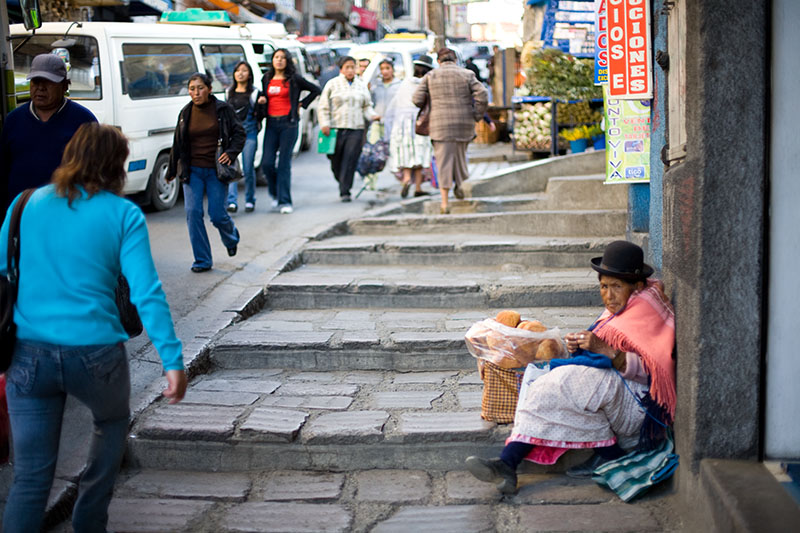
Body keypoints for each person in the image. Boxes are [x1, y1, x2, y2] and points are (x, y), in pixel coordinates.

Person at [0, 123, 187, 532]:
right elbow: (147, 294)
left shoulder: (22, 205)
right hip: (96, 355)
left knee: (30, 479)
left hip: (28, 355)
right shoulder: (123, 215)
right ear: (116, 166)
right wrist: (172, 362)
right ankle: (88, 517)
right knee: (112, 422)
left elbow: (3, 274)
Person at [465, 241, 676, 494]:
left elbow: (657, 373)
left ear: (638, 285)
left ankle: (611, 454)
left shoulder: (644, 311)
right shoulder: (626, 306)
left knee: (571, 383)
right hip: (618, 399)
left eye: (616, 287)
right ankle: (508, 463)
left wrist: (606, 351)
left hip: (644, 411)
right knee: (545, 381)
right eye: (603, 286)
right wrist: (582, 347)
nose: (608, 295)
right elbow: (602, 344)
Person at [0, 53, 97, 218]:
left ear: (65, 86)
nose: (40, 88)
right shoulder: (13, 121)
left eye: (48, 82)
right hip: (21, 215)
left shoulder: (84, 121)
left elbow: (96, 173)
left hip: (67, 215)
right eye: (35, 82)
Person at [167, 72, 244, 273]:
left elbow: (239, 133)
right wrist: (172, 168)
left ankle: (231, 237)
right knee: (193, 212)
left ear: (209, 89)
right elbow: (177, 141)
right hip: (192, 171)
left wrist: (231, 152)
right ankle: (202, 260)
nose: (196, 92)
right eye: (192, 89)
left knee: (217, 215)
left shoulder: (222, 110)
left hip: (215, 171)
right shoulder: (186, 113)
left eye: (200, 88)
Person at [413, 47, 487, 214]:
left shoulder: (430, 76)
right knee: (460, 157)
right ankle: (460, 185)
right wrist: (476, 115)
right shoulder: (467, 74)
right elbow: (482, 94)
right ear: (455, 60)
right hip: (464, 124)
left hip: (439, 125)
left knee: (443, 161)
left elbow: (416, 99)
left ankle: (445, 202)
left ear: (439, 61)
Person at [256, 48, 321, 214]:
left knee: (284, 164)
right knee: (267, 163)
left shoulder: (294, 79)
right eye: (276, 57)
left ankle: (285, 201)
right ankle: (276, 194)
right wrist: (262, 100)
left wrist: (302, 104)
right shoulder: (267, 78)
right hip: (271, 123)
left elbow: (315, 90)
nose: (279, 61)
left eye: (283, 58)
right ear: (272, 60)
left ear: (287, 61)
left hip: (289, 124)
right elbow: (264, 96)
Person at [318, 56, 380, 202]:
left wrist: (373, 116)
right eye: (347, 67)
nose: (351, 70)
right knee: (336, 161)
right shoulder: (332, 84)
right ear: (341, 69)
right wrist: (324, 124)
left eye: (353, 67)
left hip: (356, 128)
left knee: (350, 159)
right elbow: (323, 106)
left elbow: (366, 106)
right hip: (336, 128)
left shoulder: (361, 85)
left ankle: (345, 191)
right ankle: (342, 181)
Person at [384, 55, 434, 198]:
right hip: (420, 123)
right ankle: (418, 187)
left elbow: (393, 106)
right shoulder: (425, 84)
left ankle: (406, 179)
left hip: (401, 123)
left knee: (406, 154)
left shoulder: (404, 83)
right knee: (419, 154)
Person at [225, 61, 260, 214]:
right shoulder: (228, 92)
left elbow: (261, 115)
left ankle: (250, 200)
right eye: (238, 70)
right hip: (232, 136)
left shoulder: (255, 93)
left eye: (244, 70)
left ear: (249, 74)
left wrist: (261, 104)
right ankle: (231, 201)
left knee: (248, 167)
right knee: (231, 168)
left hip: (249, 134)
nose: (240, 73)